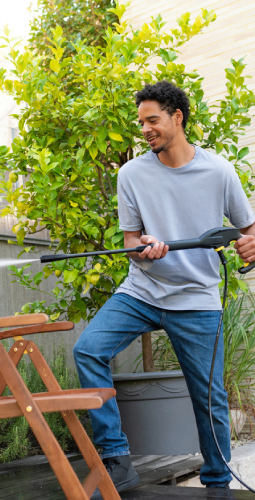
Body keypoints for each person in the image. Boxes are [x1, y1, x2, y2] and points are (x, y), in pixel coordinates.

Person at [73, 80, 255, 494]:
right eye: (141, 123)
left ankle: (217, 483)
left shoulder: (219, 171)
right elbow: (130, 242)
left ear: (177, 117)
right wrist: (144, 250)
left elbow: (249, 230)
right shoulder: (132, 174)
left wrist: (250, 246)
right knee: (88, 349)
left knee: (208, 398)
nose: (145, 130)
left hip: (196, 297)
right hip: (142, 291)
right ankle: (116, 459)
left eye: (152, 120)